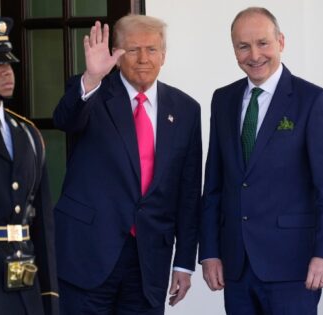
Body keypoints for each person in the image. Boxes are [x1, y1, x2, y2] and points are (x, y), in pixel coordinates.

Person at [199, 7, 323, 315]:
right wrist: (210, 252)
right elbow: (214, 185)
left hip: (294, 266)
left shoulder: (313, 101)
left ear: (281, 42)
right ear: (234, 49)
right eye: (243, 46)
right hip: (236, 267)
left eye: (263, 43)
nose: (254, 55)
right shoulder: (223, 100)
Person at [53, 14, 202, 314]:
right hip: (89, 253)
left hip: (149, 261)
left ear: (164, 55)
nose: (143, 58)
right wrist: (92, 77)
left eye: (152, 49)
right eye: (133, 50)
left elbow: (188, 192)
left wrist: (185, 262)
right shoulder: (94, 92)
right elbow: (64, 119)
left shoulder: (186, 109)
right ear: (117, 56)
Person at [0, 17, 59, 315]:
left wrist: (50, 296)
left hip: (25, 284)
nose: (6, 72)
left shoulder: (28, 134)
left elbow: (42, 223)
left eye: (9, 63)